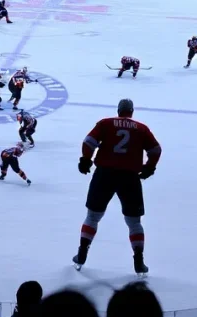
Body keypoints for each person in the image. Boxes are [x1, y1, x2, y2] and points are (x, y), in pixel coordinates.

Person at [74, 98, 161, 276]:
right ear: (132, 111)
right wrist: (149, 167)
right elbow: (156, 150)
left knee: (92, 217)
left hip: (104, 174)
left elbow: (89, 142)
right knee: (134, 222)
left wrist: (85, 159)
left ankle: (82, 253)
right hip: (129, 177)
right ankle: (139, 260)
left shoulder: (106, 123)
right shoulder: (141, 128)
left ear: (119, 110)